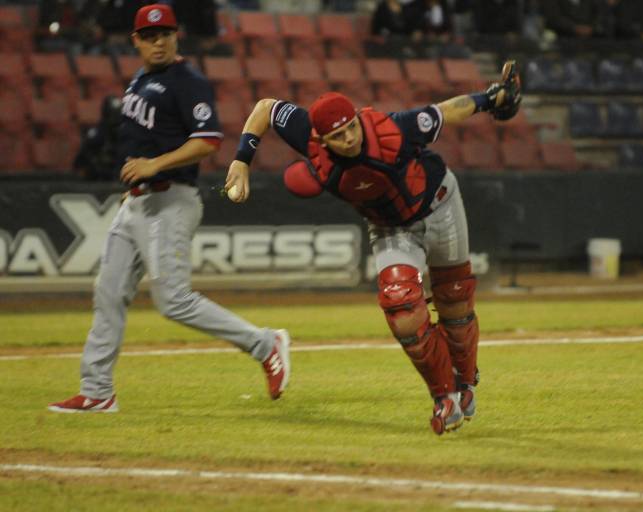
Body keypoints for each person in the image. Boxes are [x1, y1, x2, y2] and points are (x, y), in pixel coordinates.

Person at [224, 62, 522, 435]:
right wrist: (241, 157)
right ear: (319, 137)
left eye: (350, 128)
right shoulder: (307, 133)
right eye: (338, 136)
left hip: (440, 203)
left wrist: (490, 99)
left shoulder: (392, 129)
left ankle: (466, 382)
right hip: (389, 227)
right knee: (401, 307)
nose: (349, 139)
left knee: (455, 299)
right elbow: (266, 108)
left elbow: (446, 112)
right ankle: (444, 397)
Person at [49, 4, 291, 414]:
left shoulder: (187, 81)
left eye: (164, 34)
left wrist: (153, 166)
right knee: (108, 292)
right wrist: (139, 180)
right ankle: (97, 390)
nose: (158, 41)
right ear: (136, 40)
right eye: (149, 35)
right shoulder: (142, 79)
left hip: (170, 199)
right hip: (139, 202)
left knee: (173, 300)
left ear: (176, 36)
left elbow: (208, 140)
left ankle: (265, 343)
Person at [73, 95, 123, 181]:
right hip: (97, 179)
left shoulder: (124, 132)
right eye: (113, 114)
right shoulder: (98, 132)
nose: (115, 118)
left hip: (118, 177)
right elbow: (81, 160)